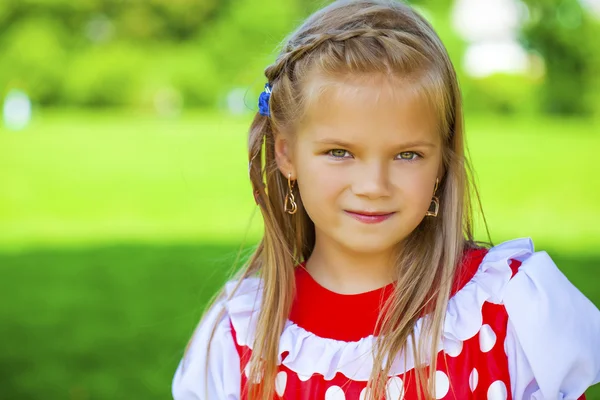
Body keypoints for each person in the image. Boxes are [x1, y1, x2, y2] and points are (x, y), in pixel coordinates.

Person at [171, 1, 600, 399]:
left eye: (407, 155)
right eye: (340, 152)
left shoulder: (509, 309)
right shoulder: (239, 335)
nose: (373, 185)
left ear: (441, 165)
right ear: (286, 153)